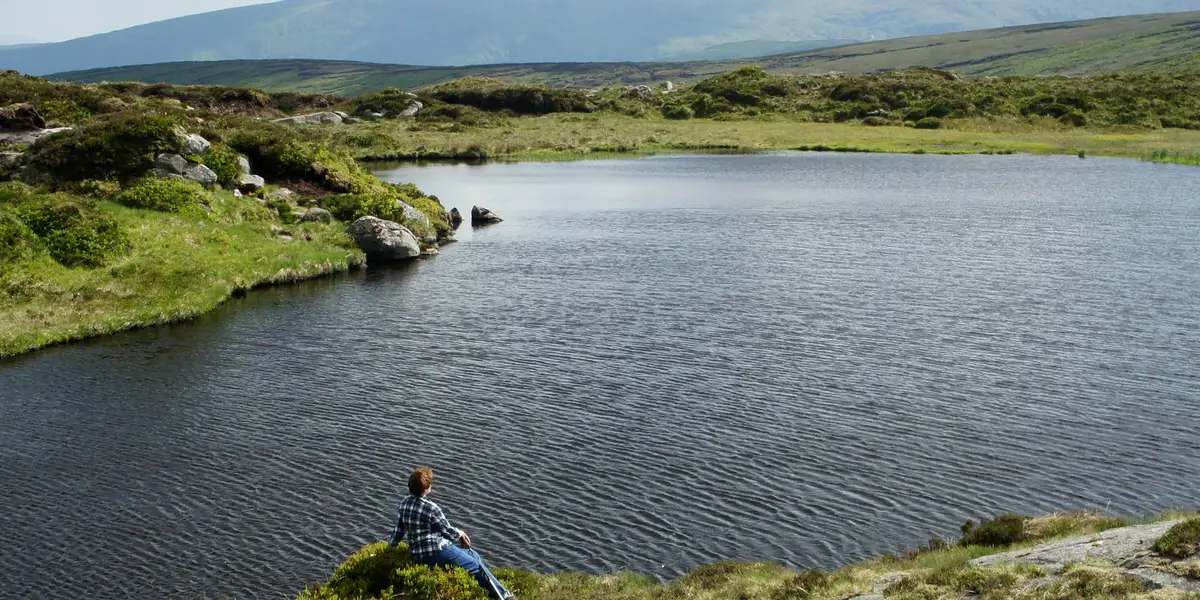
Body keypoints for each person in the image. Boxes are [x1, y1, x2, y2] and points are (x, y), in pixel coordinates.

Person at [388, 467, 514, 600]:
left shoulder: (404, 504)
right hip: (435, 552)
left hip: (417, 551)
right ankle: (504, 596)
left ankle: (496, 591)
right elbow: (447, 531)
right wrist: (460, 533)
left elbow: (398, 531)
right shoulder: (431, 508)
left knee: (474, 555)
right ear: (427, 488)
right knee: (476, 565)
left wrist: (390, 548)